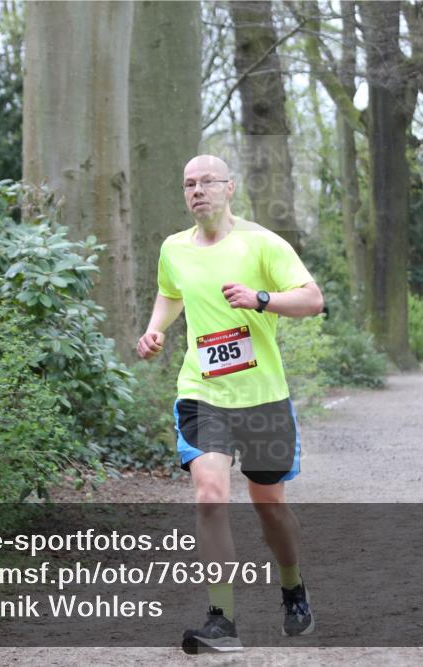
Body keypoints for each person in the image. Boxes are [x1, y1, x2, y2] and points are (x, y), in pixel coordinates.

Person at [137, 155, 324, 654]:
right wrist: (156, 330)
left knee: (270, 508)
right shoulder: (174, 248)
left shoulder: (261, 242)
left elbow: (312, 300)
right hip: (203, 392)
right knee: (210, 493)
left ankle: (292, 587)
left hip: (262, 398)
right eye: (188, 184)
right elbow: (169, 293)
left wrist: (261, 299)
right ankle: (222, 619)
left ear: (229, 188)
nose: (196, 191)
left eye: (206, 182)